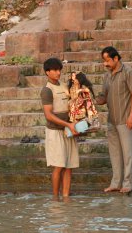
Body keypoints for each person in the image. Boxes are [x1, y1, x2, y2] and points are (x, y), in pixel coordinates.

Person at [96, 46, 132, 193]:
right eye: (104, 61)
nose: (105, 64)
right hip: (112, 120)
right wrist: (87, 97)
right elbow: (102, 98)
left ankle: (128, 184)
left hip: (125, 119)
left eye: (107, 60)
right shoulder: (107, 76)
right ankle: (115, 183)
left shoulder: (129, 72)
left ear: (116, 58)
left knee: (128, 154)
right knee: (115, 154)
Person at [40, 58, 79, 197]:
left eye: (59, 70)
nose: (58, 72)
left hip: (68, 130)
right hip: (55, 132)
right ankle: (55, 197)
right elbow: (48, 115)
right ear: (47, 72)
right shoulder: (47, 90)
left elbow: (73, 104)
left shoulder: (64, 86)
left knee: (69, 166)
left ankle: (66, 196)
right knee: (59, 166)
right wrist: (68, 124)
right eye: (55, 70)